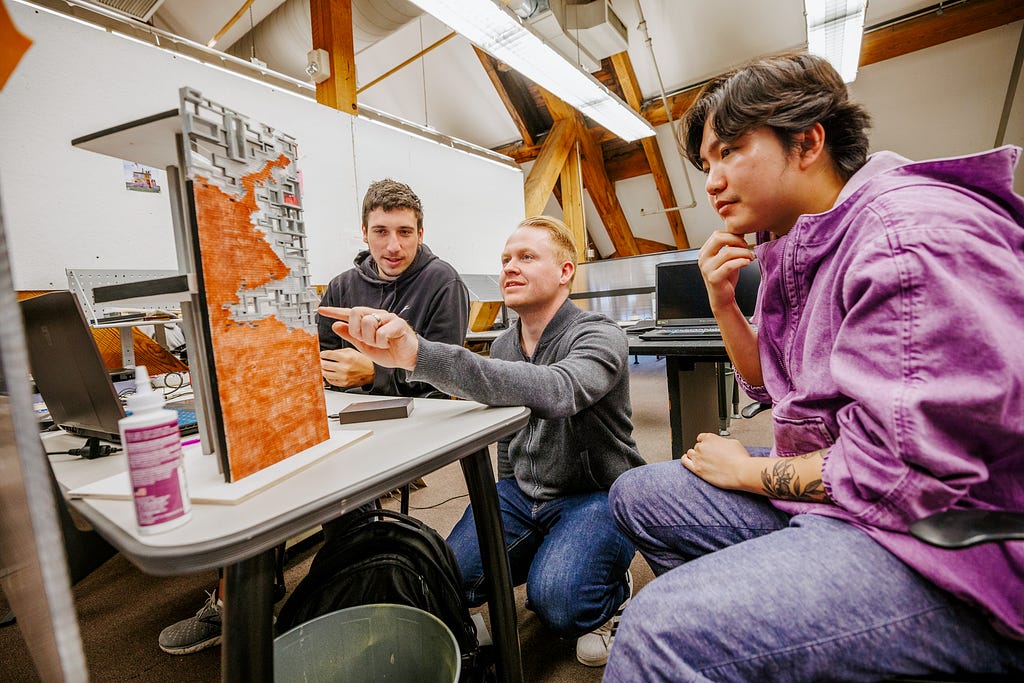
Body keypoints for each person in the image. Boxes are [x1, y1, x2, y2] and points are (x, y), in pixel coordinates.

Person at [604, 52, 1024, 681]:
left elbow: (894, 477)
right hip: (852, 504)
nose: (711, 180)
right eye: (706, 162)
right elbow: (770, 388)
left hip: (947, 548)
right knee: (639, 493)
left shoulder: (902, 239)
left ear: (806, 142)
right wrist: (723, 301)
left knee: (659, 632)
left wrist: (750, 472)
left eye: (730, 151)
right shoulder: (801, 242)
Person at [157, 178, 470, 655]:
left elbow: (448, 376)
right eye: (381, 230)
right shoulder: (344, 284)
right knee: (268, 462)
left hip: (408, 421)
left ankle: (344, 591)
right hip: (341, 415)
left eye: (405, 232)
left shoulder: (442, 282)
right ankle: (244, 594)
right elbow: (318, 356)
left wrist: (374, 374)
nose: (393, 245)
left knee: (342, 495)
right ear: (364, 232)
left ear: (421, 233)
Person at [319, 215, 646, 667]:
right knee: (447, 579)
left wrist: (417, 353)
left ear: (565, 271)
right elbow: (507, 438)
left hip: (593, 494)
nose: (510, 267)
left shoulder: (599, 335)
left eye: (527, 257)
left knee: (561, 606)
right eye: (506, 259)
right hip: (523, 494)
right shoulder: (505, 346)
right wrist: (499, 499)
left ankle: (612, 588)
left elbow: (558, 390)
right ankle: (555, 555)